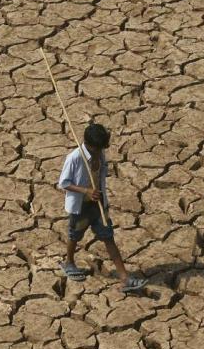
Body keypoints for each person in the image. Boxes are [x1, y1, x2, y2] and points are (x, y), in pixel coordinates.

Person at [57, 123, 147, 292]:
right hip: (81, 206)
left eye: (101, 149)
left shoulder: (100, 153)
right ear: (89, 145)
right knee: (75, 234)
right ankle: (69, 262)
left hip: (98, 205)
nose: (100, 152)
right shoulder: (75, 158)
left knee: (108, 236)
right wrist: (86, 191)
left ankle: (125, 277)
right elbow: (63, 183)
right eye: (97, 149)